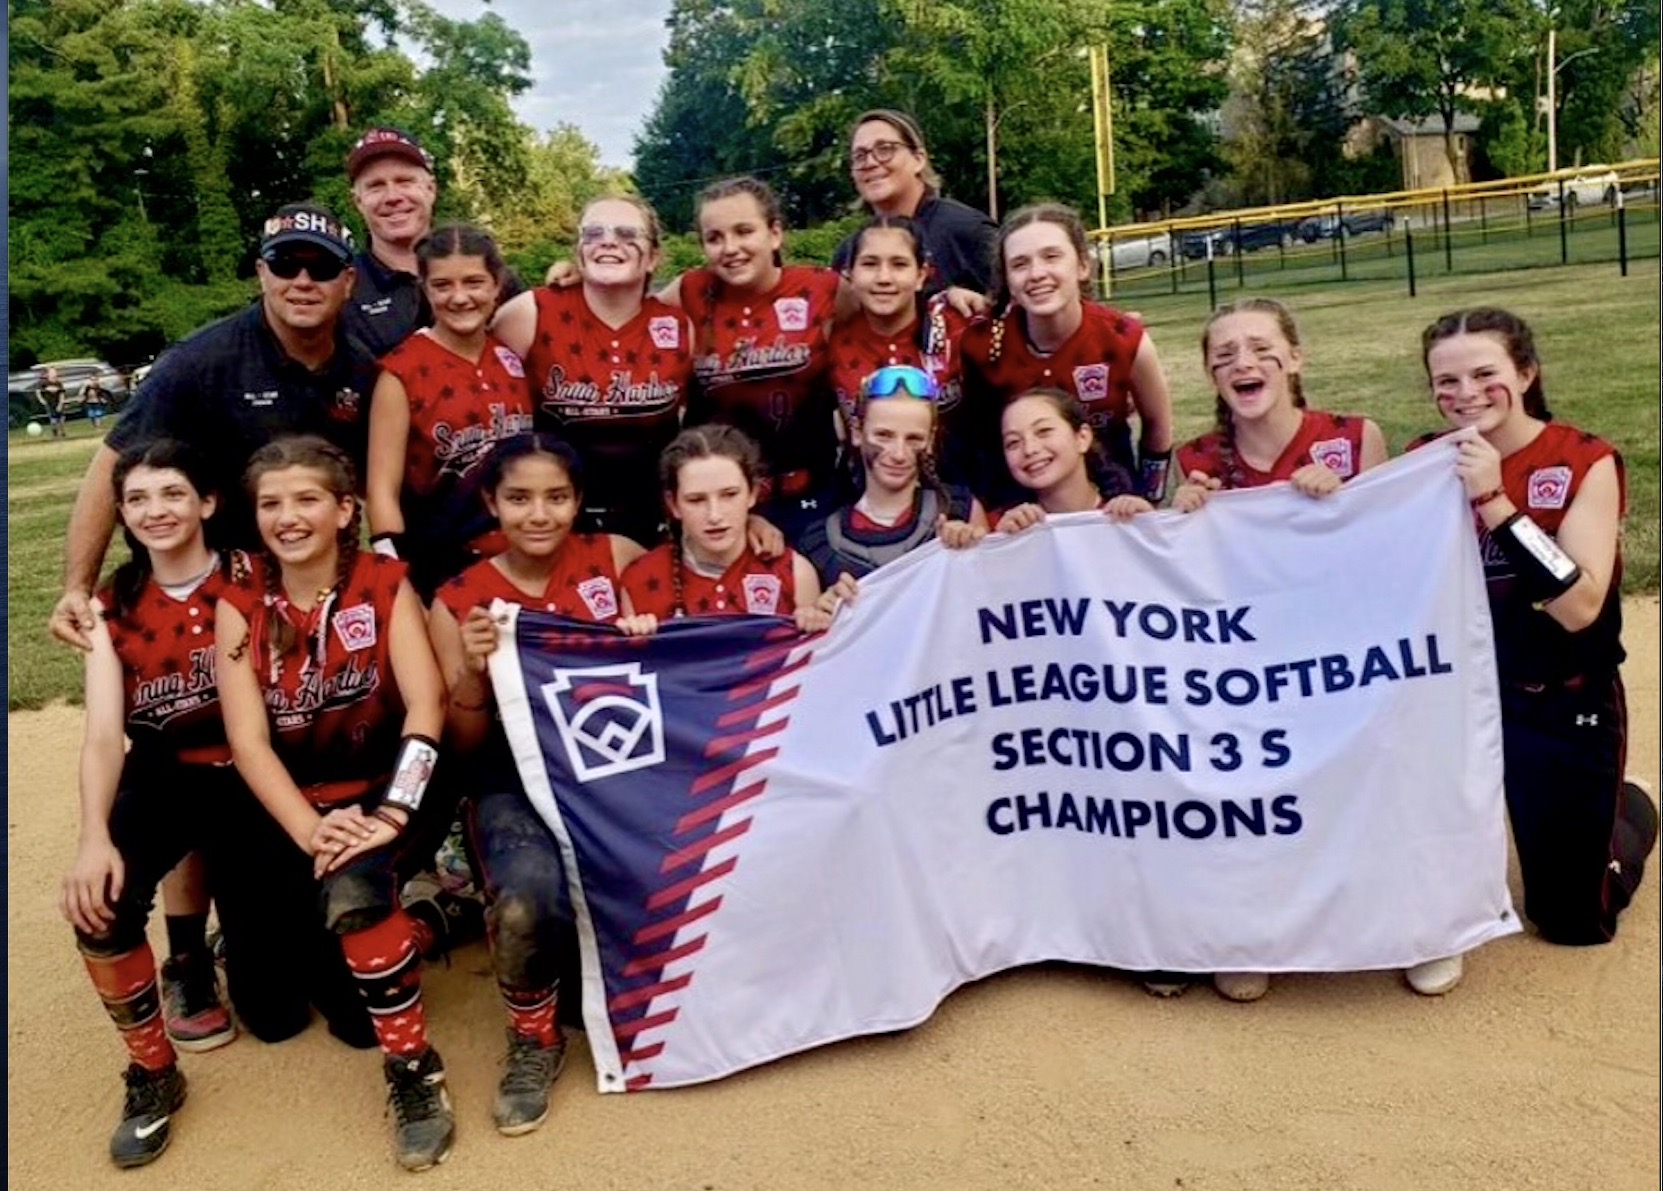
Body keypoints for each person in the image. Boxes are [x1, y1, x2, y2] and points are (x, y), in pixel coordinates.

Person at [61, 438, 367, 1169]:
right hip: (168, 778)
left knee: (297, 1015)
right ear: (125, 516)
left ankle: (299, 930)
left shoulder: (252, 576)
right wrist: (92, 837)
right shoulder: (114, 603)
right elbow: (105, 736)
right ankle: (152, 1070)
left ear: (205, 502)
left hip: (257, 783)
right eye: (136, 499)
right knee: (100, 904)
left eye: (171, 493)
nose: (154, 510)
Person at [215, 435, 455, 1171]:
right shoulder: (239, 601)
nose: (289, 516)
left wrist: (392, 814)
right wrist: (312, 830)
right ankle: (428, 916)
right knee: (271, 1014)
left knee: (358, 1010)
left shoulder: (384, 581)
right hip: (297, 808)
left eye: (307, 498)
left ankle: (414, 1071)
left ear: (344, 508)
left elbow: (426, 703)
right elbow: (248, 742)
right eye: (271, 503)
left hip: (384, 793)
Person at [1411, 307, 1656, 976]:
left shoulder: (1582, 460)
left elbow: (1578, 606)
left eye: (1484, 373)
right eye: (1445, 380)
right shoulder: (1425, 461)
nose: (1464, 393)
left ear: (1524, 372)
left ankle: (1631, 809)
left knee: (1572, 921)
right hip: (1462, 700)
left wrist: (1492, 498)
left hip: (1558, 698)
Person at [428, 433, 653, 1136]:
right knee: (529, 895)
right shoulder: (458, 600)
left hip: (614, 761)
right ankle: (533, 1039)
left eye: (557, 497)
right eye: (519, 497)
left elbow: (692, 610)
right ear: (491, 502)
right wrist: (468, 671)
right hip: (511, 774)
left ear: (578, 501)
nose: (538, 513)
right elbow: (460, 744)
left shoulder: (615, 557)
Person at [1168, 298, 1388, 1003]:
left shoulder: (1353, 439)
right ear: (1209, 373)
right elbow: (1180, 583)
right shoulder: (1196, 461)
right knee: (1250, 793)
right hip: (1247, 670)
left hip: (1340, 656)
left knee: (1360, 786)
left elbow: (1397, 558)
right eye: (1224, 353)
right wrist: (1183, 522)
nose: (1243, 361)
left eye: (1260, 347)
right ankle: (1253, 930)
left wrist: (1344, 502)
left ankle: (1406, 925)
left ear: (1295, 358)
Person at [51, 201, 377, 652]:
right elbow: (113, 463)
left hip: (318, 586)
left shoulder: (363, 369)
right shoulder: (199, 362)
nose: (302, 282)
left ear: (348, 282)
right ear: (262, 273)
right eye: (286, 265)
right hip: (215, 590)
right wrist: (77, 587)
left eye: (321, 268)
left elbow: (379, 485)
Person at [493, 194, 695, 547]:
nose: (608, 242)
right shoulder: (529, 314)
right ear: (578, 252)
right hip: (552, 522)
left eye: (626, 233)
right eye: (594, 233)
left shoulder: (677, 326)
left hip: (652, 521)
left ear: (653, 257)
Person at [956, 204, 1175, 511]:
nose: (1036, 274)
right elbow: (972, 443)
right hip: (1016, 513)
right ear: (1006, 280)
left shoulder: (1124, 338)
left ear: (1082, 265)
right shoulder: (981, 345)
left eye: (1051, 256)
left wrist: (1151, 500)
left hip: (1112, 505)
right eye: (1019, 264)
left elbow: (1158, 426)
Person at [366, 222, 535, 600]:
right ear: (425, 290)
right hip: (443, 566)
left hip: (526, 555)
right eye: (442, 285)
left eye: (474, 282)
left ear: (497, 284)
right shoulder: (401, 372)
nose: (459, 298)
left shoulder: (511, 353)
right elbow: (381, 488)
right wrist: (394, 575)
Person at [620, 424, 833, 632]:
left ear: (752, 493)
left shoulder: (794, 573)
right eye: (696, 500)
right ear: (673, 504)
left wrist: (814, 624)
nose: (715, 515)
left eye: (729, 495)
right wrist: (636, 643)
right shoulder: (639, 579)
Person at [341, 126, 525, 358]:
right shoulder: (341, 289)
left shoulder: (490, 273)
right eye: (376, 186)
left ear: (431, 189)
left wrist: (576, 277)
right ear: (358, 201)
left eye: (405, 181)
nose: (393, 197)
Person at [797, 365, 987, 586]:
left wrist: (970, 548)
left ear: (930, 440)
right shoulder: (819, 543)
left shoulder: (962, 510)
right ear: (857, 432)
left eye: (913, 438)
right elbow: (810, 617)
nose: (898, 454)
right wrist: (824, 609)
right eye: (884, 436)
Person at [825, 216, 973, 487]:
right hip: (865, 495)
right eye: (870, 264)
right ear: (849, 274)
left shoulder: (959, 324)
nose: (884, 278)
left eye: (899, 264)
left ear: (920, 275)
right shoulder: (828, 339)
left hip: (964, 489)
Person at [830, 108, 998, 300]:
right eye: (860, 156)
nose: (870, 162)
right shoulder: (849, 251)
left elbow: (1015, 312)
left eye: (885, 149)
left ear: (918, 159)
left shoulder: (966, 232)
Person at [992, 387, 1154, 532]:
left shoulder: (1128, 516)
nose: (1029, 449)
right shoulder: (1004, 526)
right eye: (1013, 442)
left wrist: (1150, 527)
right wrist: (1001, 544)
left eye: (1043, 431)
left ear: (1082, 437)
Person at [37, 366, 68, 438]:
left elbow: (62, 394)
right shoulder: (44, 383)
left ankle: (63, 432)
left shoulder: (59, 383)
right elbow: (38, 391)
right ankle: (55, 433)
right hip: (50, 403)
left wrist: (61, 404)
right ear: (48, 374)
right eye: (51, 372)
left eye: (54, 372)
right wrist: (41, 400)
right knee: (53, 420)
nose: (54, 374)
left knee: (61, 419)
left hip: (58, 402)